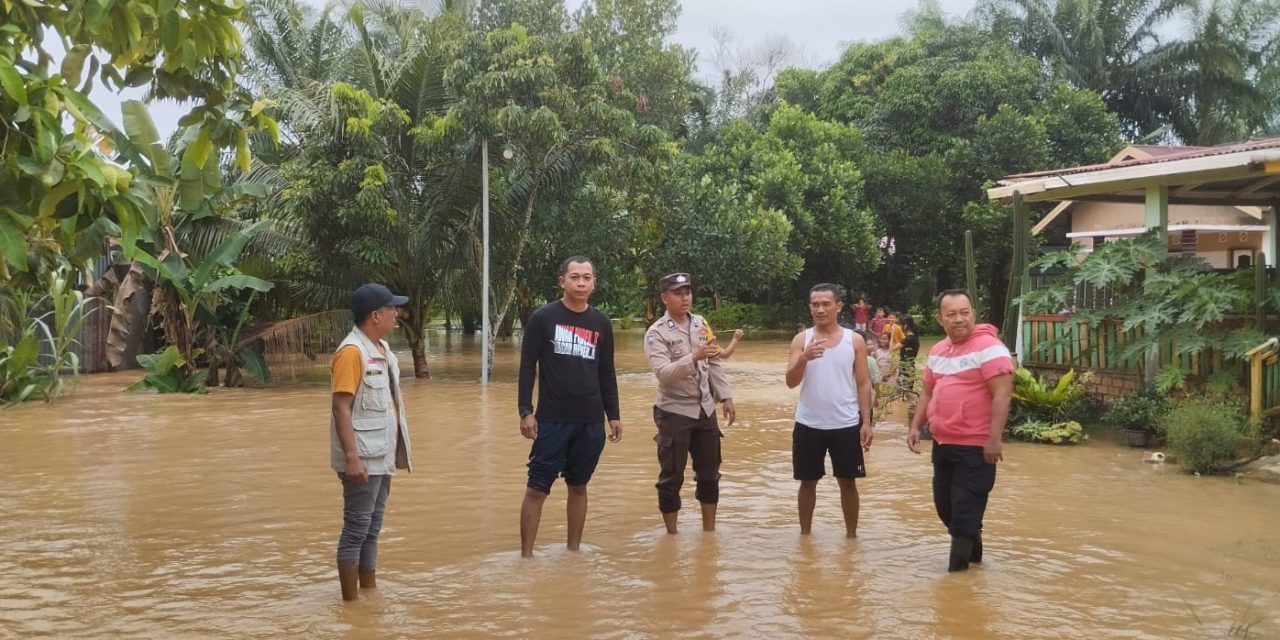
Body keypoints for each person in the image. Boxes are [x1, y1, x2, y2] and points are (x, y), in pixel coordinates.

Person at [517, 256, 623, 558]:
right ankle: (526, 557)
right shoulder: (543, 318)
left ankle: (573, 553)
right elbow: (527, 367)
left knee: (579, 486)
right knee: (537, 488)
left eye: (586, 278)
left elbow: (606, 372)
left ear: (594, 283)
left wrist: (613, 415)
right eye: (574, 277)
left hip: (590, 421)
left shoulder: (601, 323)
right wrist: (525, 411)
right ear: (561, 281)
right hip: (551, 420)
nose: (581, 283)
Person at [907, 290, 1014, 572]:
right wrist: (915, 425)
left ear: (973, 315)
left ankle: (957, 578)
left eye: (964, 313)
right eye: (952, 314)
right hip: (942, 443)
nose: (959, 319)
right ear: (940, 319)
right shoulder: (939, 350)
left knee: (964, 513)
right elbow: (928, 392)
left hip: (976, 447)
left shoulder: (990, 348)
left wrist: (994, 439)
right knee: (946, 507)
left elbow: (1002, 395)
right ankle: (973, 546)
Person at [329, 283, 414, 601]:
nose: (397, 314)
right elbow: (341, 406)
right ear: (376, 315)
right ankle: (350, 605)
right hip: (363, 456)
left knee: (371, 528)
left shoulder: (381, 349)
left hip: (382, 454)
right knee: (356, 530)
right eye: (392, 309)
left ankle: (369, 595)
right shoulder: (352, 352)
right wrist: (352, 456)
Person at [644, 273, 737, 534]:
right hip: (674, 411)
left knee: (710, 475)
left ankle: (709, 533)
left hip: (706, 410)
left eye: (688, 292)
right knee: (671, 477)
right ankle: (671, 535)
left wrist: (726, 396)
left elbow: (715, 360)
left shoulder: (701, 324)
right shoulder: (656, 333)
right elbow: (663, 373)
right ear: (665, 297)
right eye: (678, 293)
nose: (685, 298)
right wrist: (693, 357)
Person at [785, 283, 874, 538]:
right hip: (808, 422)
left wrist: (866, 422)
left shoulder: (854, 340)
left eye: (826, 304)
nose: (820, 309)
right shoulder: (801, 340)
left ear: (838, 306)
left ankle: (851, 537)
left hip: (846, 423)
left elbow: (863, 383)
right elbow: (790, 381)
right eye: (815, 304)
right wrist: (804, 358)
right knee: (807, 482)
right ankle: (805, 536)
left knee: (848, 482)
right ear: (810, 308)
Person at [899, 315, 921, 380]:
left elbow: (892, 348)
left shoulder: (908, 339)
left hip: (906, 368)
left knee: (904, 388)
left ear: (905, 325)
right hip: (909, 367)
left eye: (901, 325)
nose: (900, 327)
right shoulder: (914, 338)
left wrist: (893, 332)